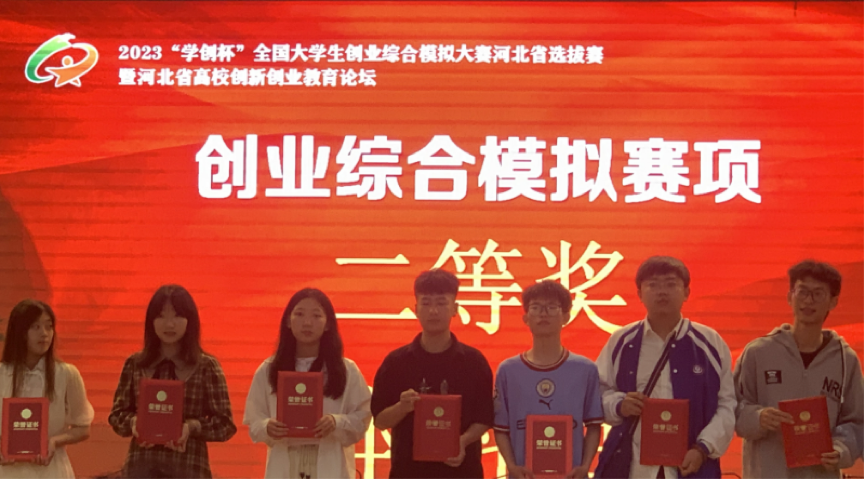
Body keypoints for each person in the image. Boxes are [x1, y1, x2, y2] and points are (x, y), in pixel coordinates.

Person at [595, 256, 735, 478]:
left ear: (686, 292)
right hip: (632, 468)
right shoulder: (621, 341)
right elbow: (597, 394)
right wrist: (619, 405)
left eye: (671, 284)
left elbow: (727, 404)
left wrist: (703, 448)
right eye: (653, 285)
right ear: (639, 294)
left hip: (691, 465)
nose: (662, 292)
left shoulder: (710, 342)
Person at [734, 260, 864, 478]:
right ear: (789, 297)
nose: (808, 300)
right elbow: (731, 408)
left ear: (833, 302)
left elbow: (857, 421)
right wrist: (757, 417)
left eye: (818, 294)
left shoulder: (845, 360)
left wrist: (841, 449)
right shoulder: (758, 352)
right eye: (802, 292)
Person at [371, 269, 494, 478]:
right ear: (416, 309)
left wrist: (462, 442)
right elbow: (380, 420)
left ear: (455, 309)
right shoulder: (396, 362)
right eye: (426, 303)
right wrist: (402, 407)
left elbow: (485, 417)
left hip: (462, 472)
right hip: (408, 472)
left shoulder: (474, 362)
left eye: (441, 303)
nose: (434, 311)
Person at [108, 284, 236, 478]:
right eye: (161, 316)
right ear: (150, 321)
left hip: (189, 467)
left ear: (190, 320)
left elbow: (225, 425)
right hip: (142, 467)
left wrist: (191, 427)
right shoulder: (135, 364)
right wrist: (134, 422)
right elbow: (117, 416)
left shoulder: (206, 366)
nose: (169, 324)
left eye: (177, 316)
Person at [244, 288, 372, 478]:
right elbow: (254, 418)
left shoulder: (346, 370)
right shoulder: (269, 369)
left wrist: (336, 422)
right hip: (284, 462)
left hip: (328, 462)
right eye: (299, 314)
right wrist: (267, 426)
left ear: (328, 324)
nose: (307, 323)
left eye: (316, 316)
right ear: (288, 321)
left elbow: (363, 417)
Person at [493, 280, 603, 479]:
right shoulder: (508, 370)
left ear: (566, 317)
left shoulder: (585, 369)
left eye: (552, 307)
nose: (543, 314)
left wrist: (585, 466)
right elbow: (501, 428)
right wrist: (511, 466)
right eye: (536, 307)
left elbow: (594, 425)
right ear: (525, 318)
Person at [0, 299, 94, 478]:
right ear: (19, 332)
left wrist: (54, 441)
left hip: (51, 471)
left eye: (49, 327)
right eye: (35, 327)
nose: (44, 334)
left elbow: (83, 428)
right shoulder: (2, 374)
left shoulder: (67, 374)